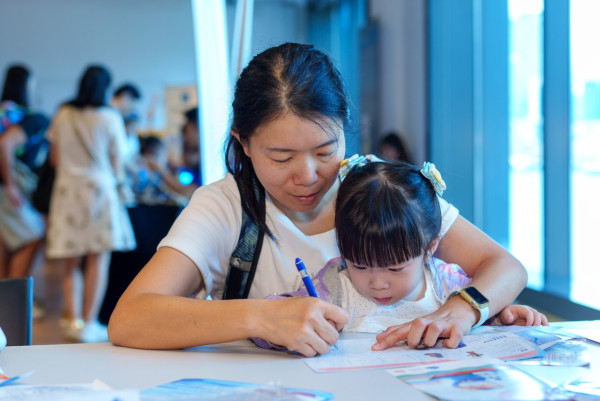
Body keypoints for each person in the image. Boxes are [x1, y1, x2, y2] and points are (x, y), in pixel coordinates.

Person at [108, 43, 528, 357]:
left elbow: (504, 267)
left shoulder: (380, 189)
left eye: (326, 150)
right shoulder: (224, 206)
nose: (308, 175)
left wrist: (464, 309)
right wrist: (258, 316)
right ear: (244, 143)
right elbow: (131, 318)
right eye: (281, 156)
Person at [252, 160, 547, 350]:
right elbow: (280, 322)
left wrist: (498, 317)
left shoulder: (449, 286)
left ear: (429, 247)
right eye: (360, 265)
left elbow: (477, 311)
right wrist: (279, 324)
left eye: (395, 269)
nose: (377, 282)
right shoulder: (333, 287)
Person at [46, 65, 136, 343]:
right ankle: (90, 323)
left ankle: (73, 321)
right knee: (98, 259)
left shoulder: (63, 114)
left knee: (70, 261)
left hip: (67, 192)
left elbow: (54, 159)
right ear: (106, 88)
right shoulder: (109, 117)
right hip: (100, 192)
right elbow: (117, 161)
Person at [0, 65, 49, 279]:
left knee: (4, 241)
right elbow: (5, 144)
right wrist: (10, 184)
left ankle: (6, 302)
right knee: (33, 235)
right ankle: (16, 298)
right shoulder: (32, 118)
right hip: (11, 187)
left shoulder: (4, 112)